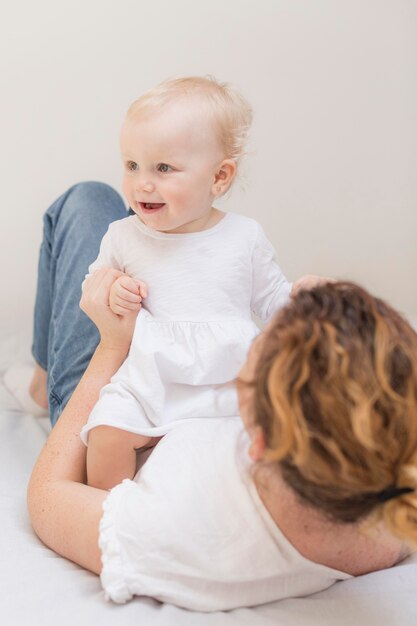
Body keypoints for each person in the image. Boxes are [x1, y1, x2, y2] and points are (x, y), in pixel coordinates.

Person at [27, 264, 417, 611]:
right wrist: (336, 316)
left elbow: (47, 494)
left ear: (258, 443)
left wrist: (113, 345)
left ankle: (40, 383)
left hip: (117, 403)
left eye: (248, 364)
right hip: (174, 391)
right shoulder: (388, 491)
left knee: (86, 202)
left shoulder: (170, 533)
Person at [75, 76, 326, 490]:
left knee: (280, 441)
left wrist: (306, 299)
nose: (142, 183)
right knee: (106, 433)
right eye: (132, 165)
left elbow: (275, 305)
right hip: (149, 378)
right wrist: (113, 287)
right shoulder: (123, 235)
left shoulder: (244, 237)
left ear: (219, 177)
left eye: (163, 168)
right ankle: (109, 512)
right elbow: (93, 288)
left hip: (227, 382)